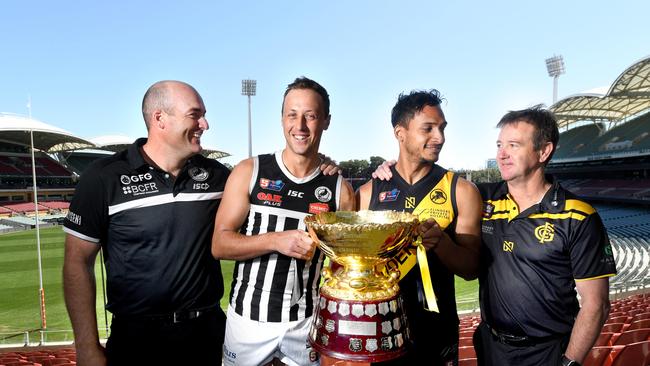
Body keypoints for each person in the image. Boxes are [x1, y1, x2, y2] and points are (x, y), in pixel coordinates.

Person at [62, 80, 230, 366]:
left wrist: (320, 167)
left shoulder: (218, 176)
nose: (205, 123)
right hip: (136, 340)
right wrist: (87, 348)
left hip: (208, 333)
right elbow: (77, 262)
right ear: (159, 119)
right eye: (195, 114)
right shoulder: (103, 178)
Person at [212, 76, 356, 366]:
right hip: (248, 323)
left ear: (326, 121)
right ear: (281, 119)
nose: (299, 126)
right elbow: (219, 244)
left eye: (310, 116)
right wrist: (275, 240)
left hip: (306, 323)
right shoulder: (250, 170)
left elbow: (343, 266)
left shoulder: (340, 190)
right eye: (292, 114)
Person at [473, 106, 617, 366]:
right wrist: (389, 170)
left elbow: (597, 304)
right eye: (499, 145)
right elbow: (436, 186)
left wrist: (569, 363)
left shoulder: (579, 216)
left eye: (513, 145)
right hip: (491, 349)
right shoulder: (481, 199)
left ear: (543, 151)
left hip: (547, 353)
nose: (501, 155)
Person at [359, 89, 483, 365]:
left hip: (438, 337)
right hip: (381, 334)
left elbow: (472, 268)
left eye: (442, 128)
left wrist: (442, 243)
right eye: (428, 128)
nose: (440, 137)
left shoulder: (461, 191)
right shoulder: (368, 193)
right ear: (400, 133)